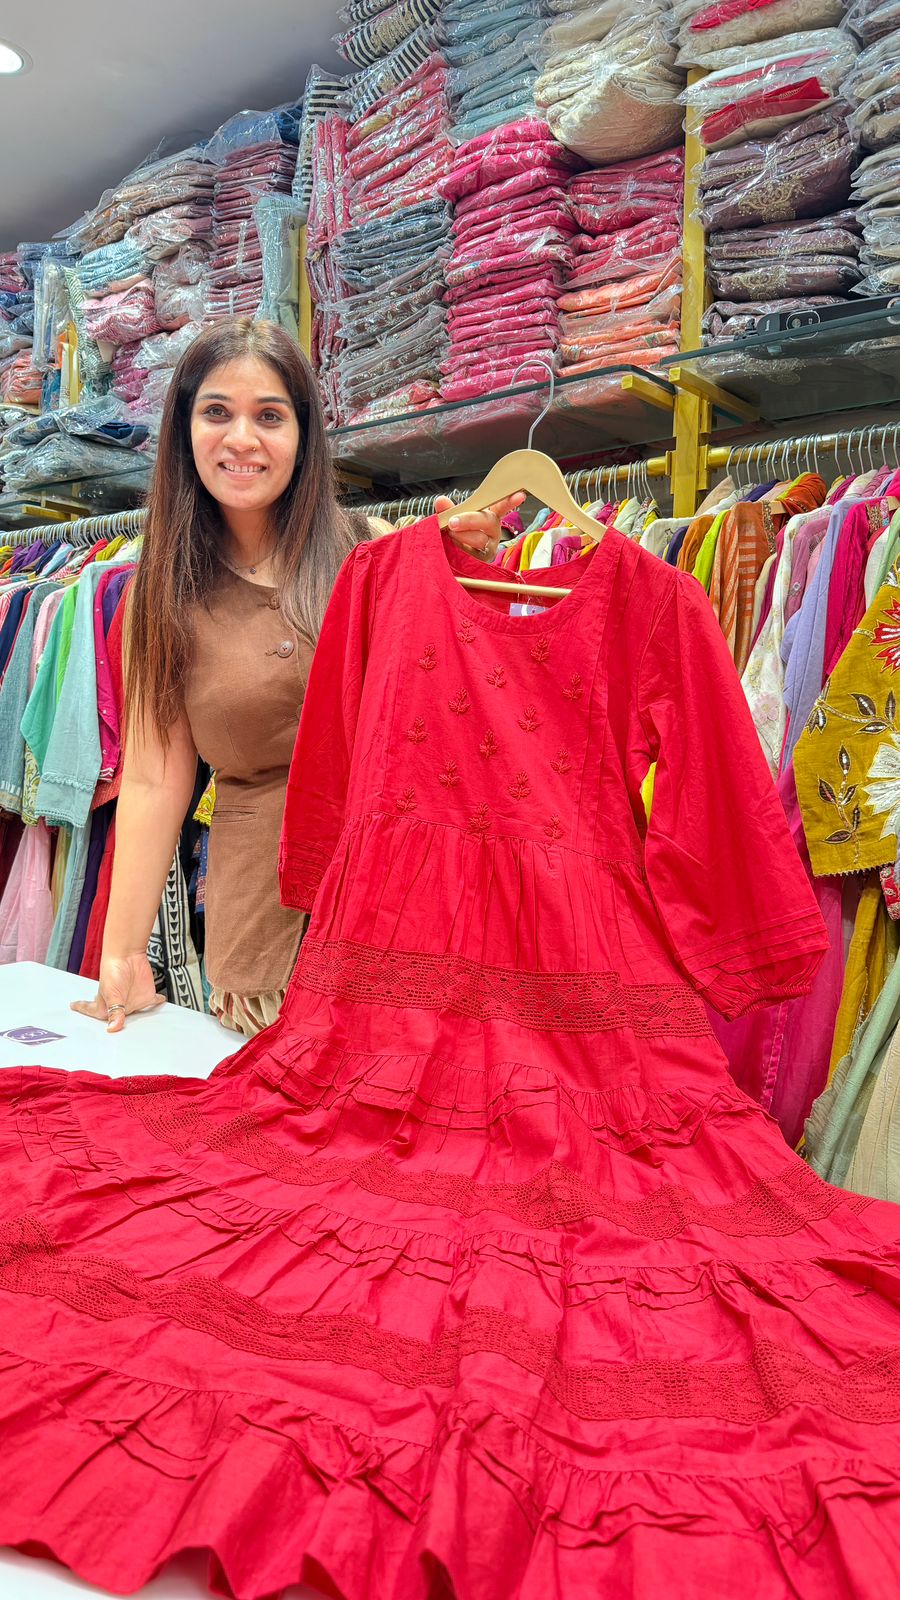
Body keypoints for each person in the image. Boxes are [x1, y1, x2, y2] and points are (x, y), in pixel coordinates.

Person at [73, 318, 522, 1037]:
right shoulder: (158, 597)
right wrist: (122, 952)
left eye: (270, 416)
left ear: (304, 436)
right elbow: (157, 779)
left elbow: (471, 724)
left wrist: (469, 579)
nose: (243, 439)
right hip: (265, 939)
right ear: (184, 431)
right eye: (216, 412)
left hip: (412, 919)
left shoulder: (374, 554)